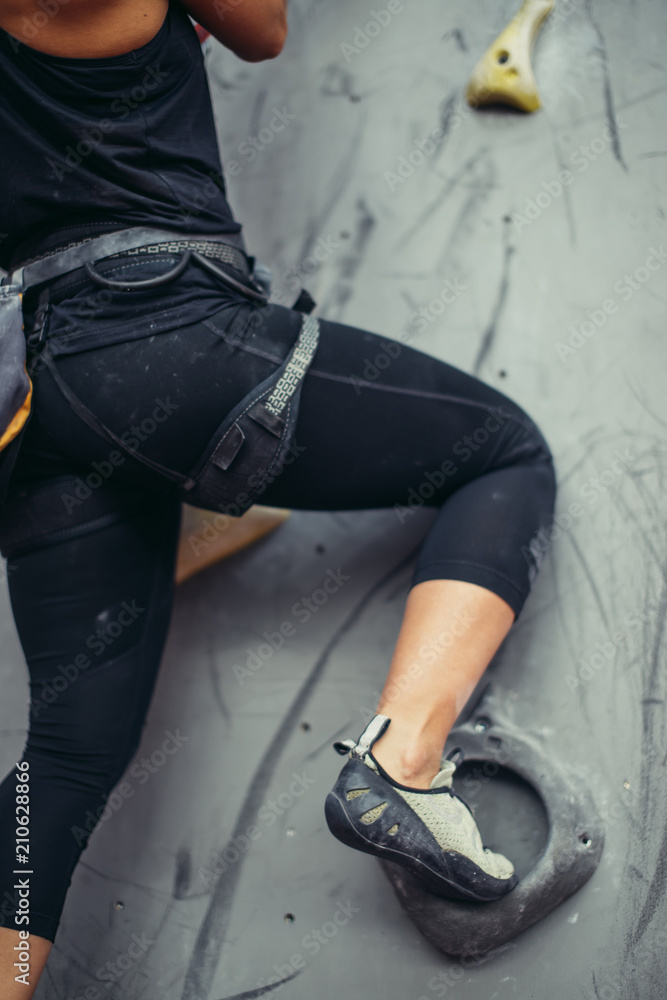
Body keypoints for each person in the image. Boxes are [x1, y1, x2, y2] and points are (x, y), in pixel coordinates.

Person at [0, 0, 556, 995]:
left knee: (67, 757)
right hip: (156, 329)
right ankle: (404, 764)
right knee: (501, 452)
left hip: (34, 406)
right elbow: (263, 27)